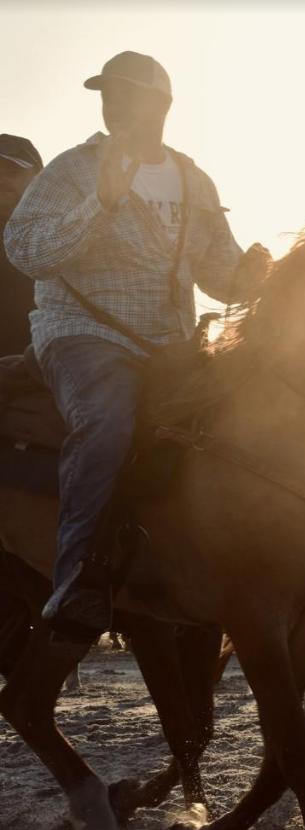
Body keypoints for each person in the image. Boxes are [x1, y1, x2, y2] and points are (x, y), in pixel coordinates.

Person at [3, 51, 271, 637]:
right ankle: (74, 580)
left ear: (161, 106)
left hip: (172, 345)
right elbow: (25, 250)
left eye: (126, 93)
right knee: (106, 421)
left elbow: (218, 275)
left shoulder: (193, 179)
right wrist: (98, 203)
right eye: (107, 93)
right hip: (82, 334)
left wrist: (253, 275)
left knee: (251, 416)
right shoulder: (73, 169)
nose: (113, 103)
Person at [0, 134, 43, 356]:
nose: (1, 179)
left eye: (12, 172)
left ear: (39, 178)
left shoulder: (62, 233)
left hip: (51, 371)